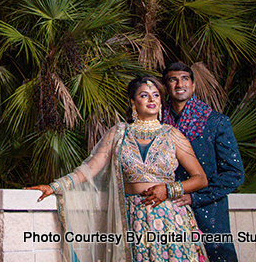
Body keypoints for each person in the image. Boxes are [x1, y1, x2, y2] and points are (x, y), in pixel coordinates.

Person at [28, 76, 209, 262]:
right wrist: (56, 186)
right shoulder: (119, 134)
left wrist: (169, 189)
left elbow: (200, 178)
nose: (152, 99)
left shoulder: (173, 135)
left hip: (170, 219)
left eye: (156, 95)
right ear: (133, 102)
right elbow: (90, 168)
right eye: (144, 95)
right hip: (134, 219)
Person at [162, 62, 244, 262]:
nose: (179, 84)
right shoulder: (157, 123)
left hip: (209, 212)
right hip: (167, 210)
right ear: (166, 86)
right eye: (173, 79)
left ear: (193, 86)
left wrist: (195, 197)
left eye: (185, 79)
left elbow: (234, 174)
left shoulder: (215, 122)